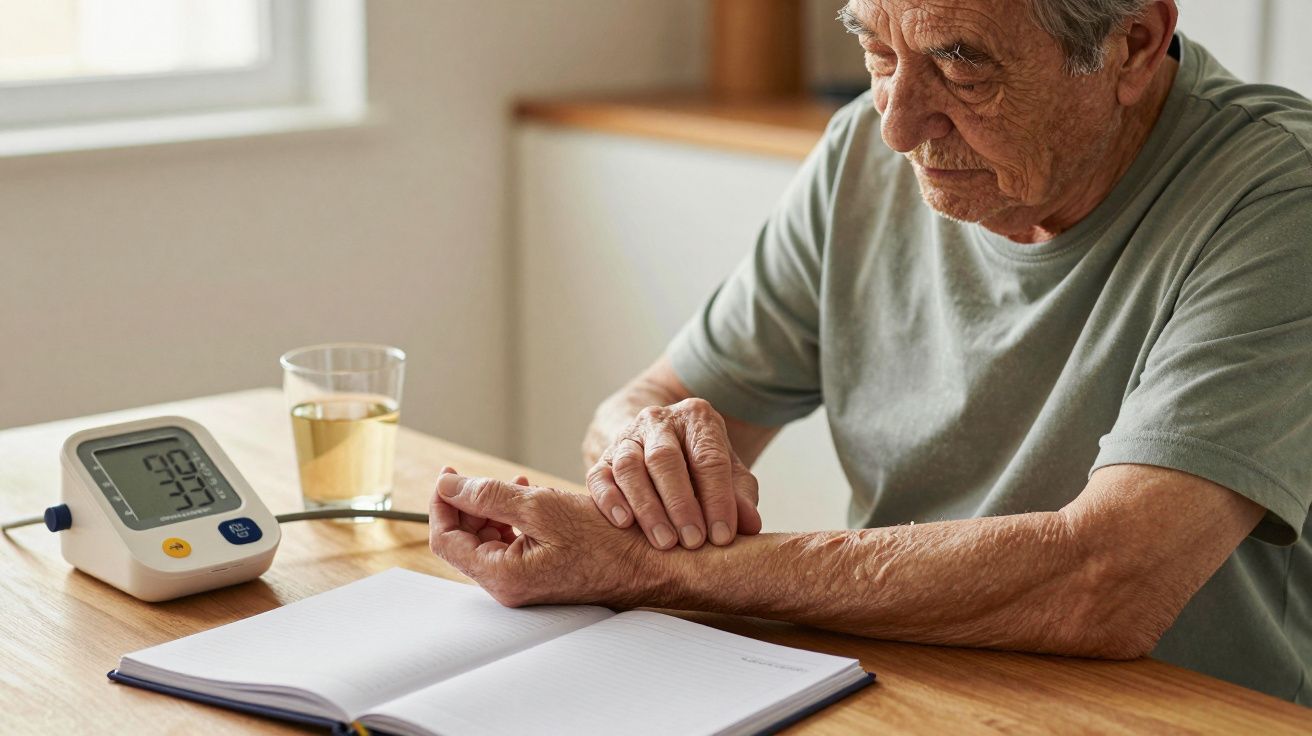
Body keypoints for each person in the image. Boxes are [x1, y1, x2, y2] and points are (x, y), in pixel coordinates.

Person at [429, 0, 1312, 704]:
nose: (897, 126)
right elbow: (650, 401)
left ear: (1132, 44)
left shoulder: (1280, 200)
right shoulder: (862, 147)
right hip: (900, 686)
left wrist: (652, 563)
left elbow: (1105, 580)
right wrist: (644, 456)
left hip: (1186, 712)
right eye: (878, 52)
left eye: (962, 60)